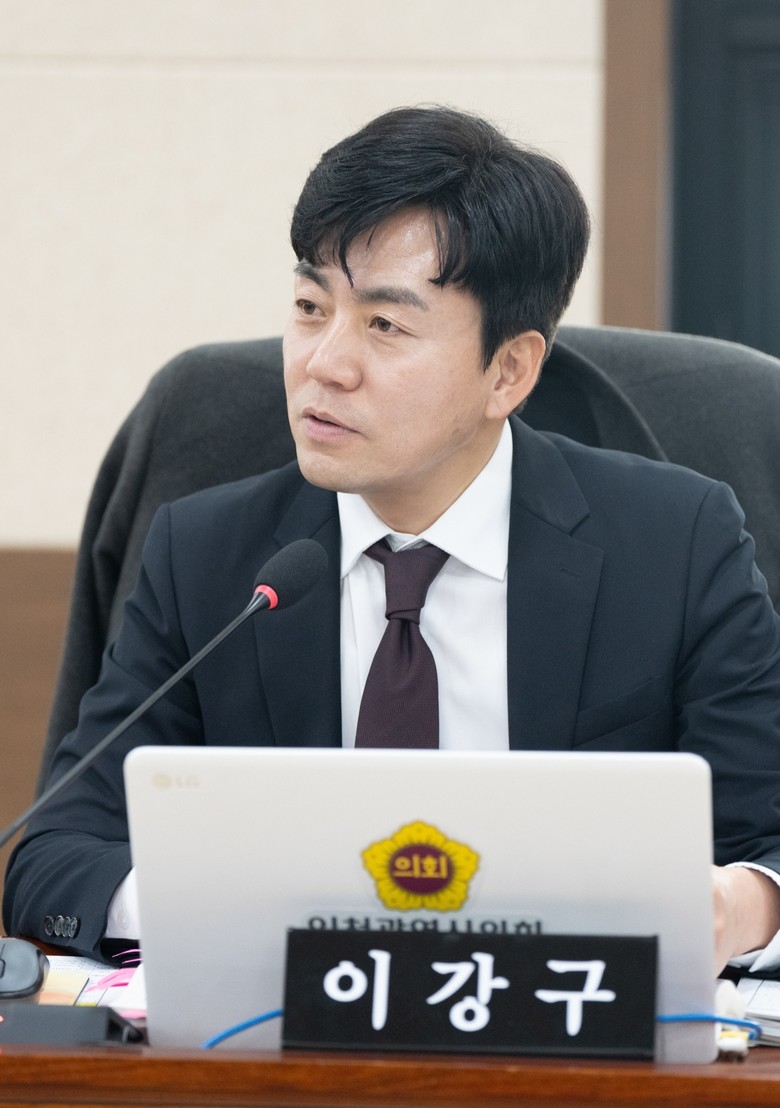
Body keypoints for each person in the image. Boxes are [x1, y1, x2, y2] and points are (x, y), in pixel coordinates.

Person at [4, 106, 780, 973]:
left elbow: (767, 841)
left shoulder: (675, 546)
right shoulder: (209, 556)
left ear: (509, 371)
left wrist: (739, 906)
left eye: (385, 326)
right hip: (287, 1032)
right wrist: (220, 903)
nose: (323, 364)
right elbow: (56, 857)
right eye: (310, 307)